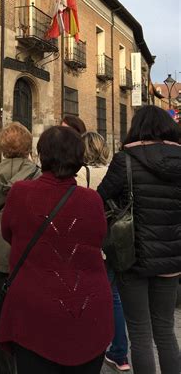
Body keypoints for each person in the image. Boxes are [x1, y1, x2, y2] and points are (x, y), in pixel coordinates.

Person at [0, 125, 113, 373]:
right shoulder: (91, 200)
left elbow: (7, 232)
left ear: (41, 156)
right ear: (79, 160)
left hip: (33, 311)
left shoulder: (20, 193)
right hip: (88, 310)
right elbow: (99, 237)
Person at [98, 106, 181, 374]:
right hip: (171, 258)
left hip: (131, 255)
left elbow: (100, 198)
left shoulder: (125, 159)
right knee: (165, 330)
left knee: (140, 333)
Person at [0, 122, 41, 374]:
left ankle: (4, 368)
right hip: (29, 248)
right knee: (30, 310)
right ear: (28, 147)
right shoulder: (37, 175)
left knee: (1, 311)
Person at [81, 132, 130, 372]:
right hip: (113, 241)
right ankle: (120, 353)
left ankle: (85, 348)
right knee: (114, 297)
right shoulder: (116, 170)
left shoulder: (79, 174)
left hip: (88, 244)